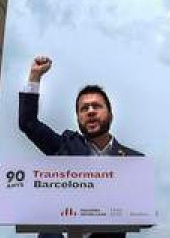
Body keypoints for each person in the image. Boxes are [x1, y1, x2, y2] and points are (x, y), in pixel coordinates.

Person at [18, 55, 142, 238]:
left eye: (96, 106)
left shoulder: (134, 161)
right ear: (78, 119)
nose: (90, 111)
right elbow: (28, 123)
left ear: (111, 115)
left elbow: (142, 216)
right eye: (84, 109)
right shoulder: (65, 147)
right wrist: (35, 76)